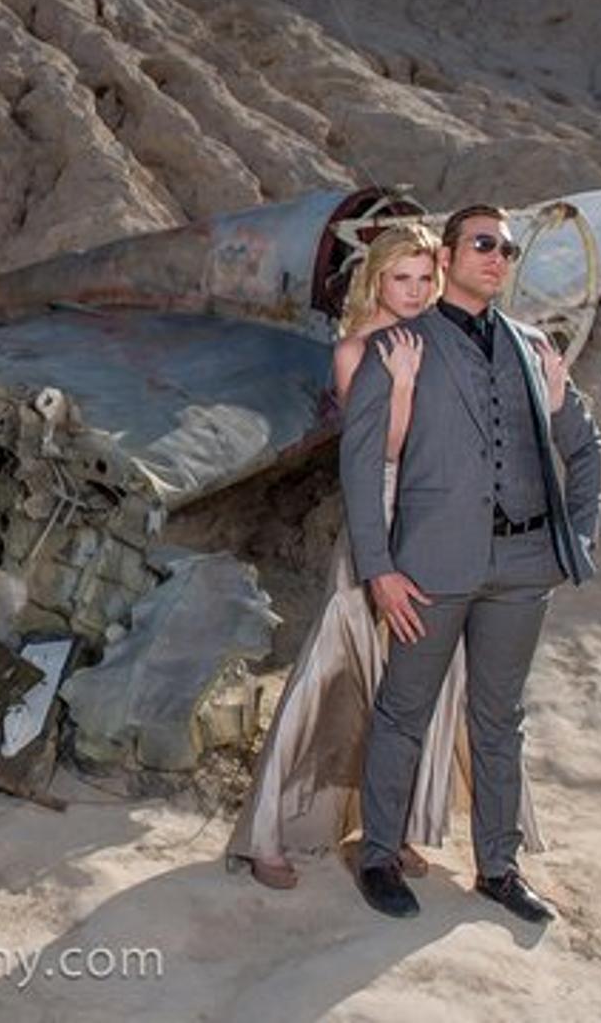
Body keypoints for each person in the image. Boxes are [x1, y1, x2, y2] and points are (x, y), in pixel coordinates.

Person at [227, 223, 549, 889]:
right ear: (376, 279)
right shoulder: (357, 350)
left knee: (416, 679)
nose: (415, 292)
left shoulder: (434, 339)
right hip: (379, 517)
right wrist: (402, 384)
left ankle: (389, 828)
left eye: (426, 279)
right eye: (401, 279)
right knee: (334, 664)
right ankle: (269, 834)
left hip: (434, 526)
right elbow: (384, 450)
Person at [344, 205, 601, 924]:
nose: (497, 257)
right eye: (484, 243)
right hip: (428, 568)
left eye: (508, 249)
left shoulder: (533, 346)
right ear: (448, 256)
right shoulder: (397, 346)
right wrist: (379, 569)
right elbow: (360, 466)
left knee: (500, 719)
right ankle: (379, 856)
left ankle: (499, 867)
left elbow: (585, 446)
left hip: (523, 567)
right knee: (404, 711)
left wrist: (573, 540)